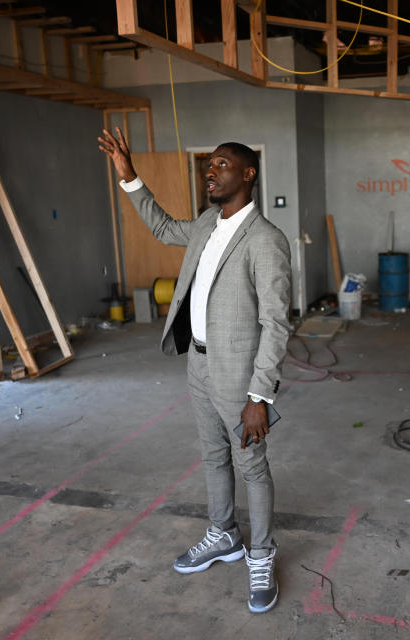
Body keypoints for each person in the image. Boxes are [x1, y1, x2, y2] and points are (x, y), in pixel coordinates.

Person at [98, 128, 291, 614]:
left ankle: (262, 554)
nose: (211, 170)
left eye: (222, 164)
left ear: (248, 174)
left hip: (239, 377)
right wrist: (130, 177)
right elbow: (163, 229)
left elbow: (276, 324)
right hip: (199, 364)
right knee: (212, 456)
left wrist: (259, 397)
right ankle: (224, 534)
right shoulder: (207, 223)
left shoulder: (265, 240)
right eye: (209, 164)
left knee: (252, 466)